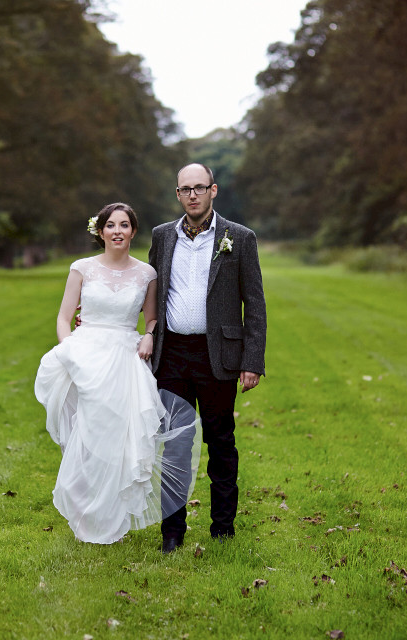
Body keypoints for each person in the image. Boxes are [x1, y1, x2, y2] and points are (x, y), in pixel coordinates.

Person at [35, 202, 200, 544]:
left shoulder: (146, 274)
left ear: (133, 231)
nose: (118, 231)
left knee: (122, 437)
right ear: (100, 231)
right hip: (87, 355)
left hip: (125, 357)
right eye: (111, 225)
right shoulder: (81, 268)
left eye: (124, 225)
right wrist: (71, 350)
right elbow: (64, 317)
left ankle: (113, 513)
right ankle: (86, 510)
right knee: (90, 434)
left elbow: (152, 317)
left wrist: (149, 336)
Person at [149, 163, 267, 554]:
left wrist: (252, 359)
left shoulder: (240, 238)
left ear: (213, 190)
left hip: (219, 356)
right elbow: (148, 290)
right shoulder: (162, 237)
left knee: (221, 444)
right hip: (173, 357)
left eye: (200, 187)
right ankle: (172, 532)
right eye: (186, 189)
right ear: (178, 195)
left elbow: (256, 303)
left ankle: (222, 529)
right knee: (176, 446)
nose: (193, 195)